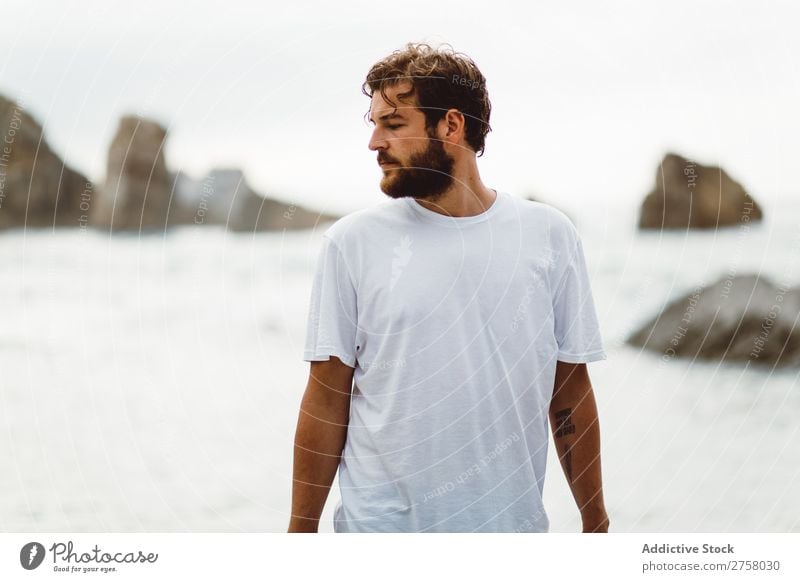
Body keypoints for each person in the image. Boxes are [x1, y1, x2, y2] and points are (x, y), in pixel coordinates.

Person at [288, 42, 609, 533]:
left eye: (393, 125)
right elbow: (327, 398)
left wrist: (596, 523)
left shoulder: (548, 236)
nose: (375, 143)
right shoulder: (352, 243)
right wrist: (299, 536)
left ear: (451, 127)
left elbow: (568, 393)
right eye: (374, 125)